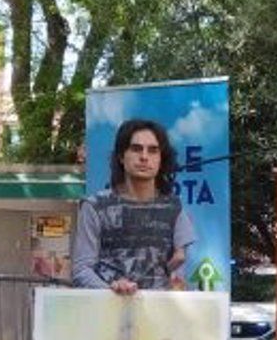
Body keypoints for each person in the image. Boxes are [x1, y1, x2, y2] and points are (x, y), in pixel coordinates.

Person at [71, 119, 194, 293]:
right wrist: (111, 290)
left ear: (161, 159)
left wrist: (176, 279)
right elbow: (81, 270)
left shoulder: (175, 208)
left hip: (158, 315)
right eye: (136, 149)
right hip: (107, 314)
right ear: (121, 156)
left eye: (153, 151)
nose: (144, 157)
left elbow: (177, 273)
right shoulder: (95, 206)